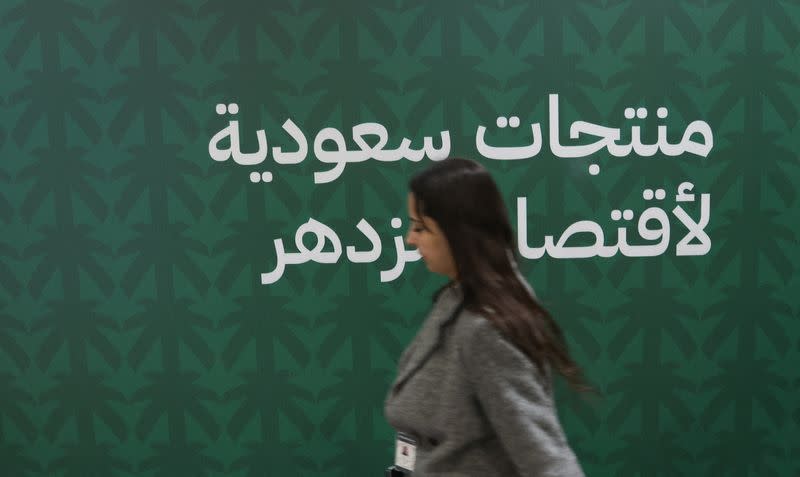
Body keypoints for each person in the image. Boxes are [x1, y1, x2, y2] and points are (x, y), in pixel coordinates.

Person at [384, 158, 587, 477]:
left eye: (421, 227)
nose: (411, 238)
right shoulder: (458, 300)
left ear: (457, 233)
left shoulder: (486, 329)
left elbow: (544, 457)